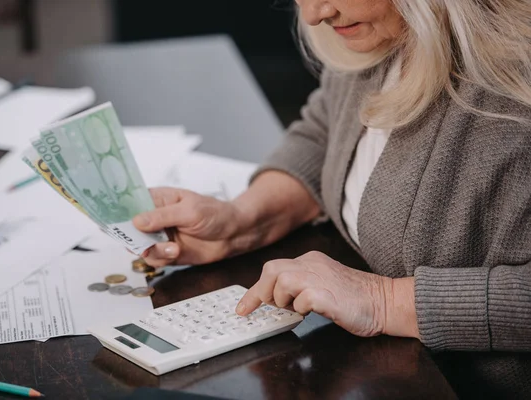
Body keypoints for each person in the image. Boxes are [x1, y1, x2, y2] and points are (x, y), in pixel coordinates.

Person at [133, 0, 531, 392]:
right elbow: (327, 128)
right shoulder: (381, 33)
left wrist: (385, 300)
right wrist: (244, 220)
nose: (312, 14)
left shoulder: (514, 90)